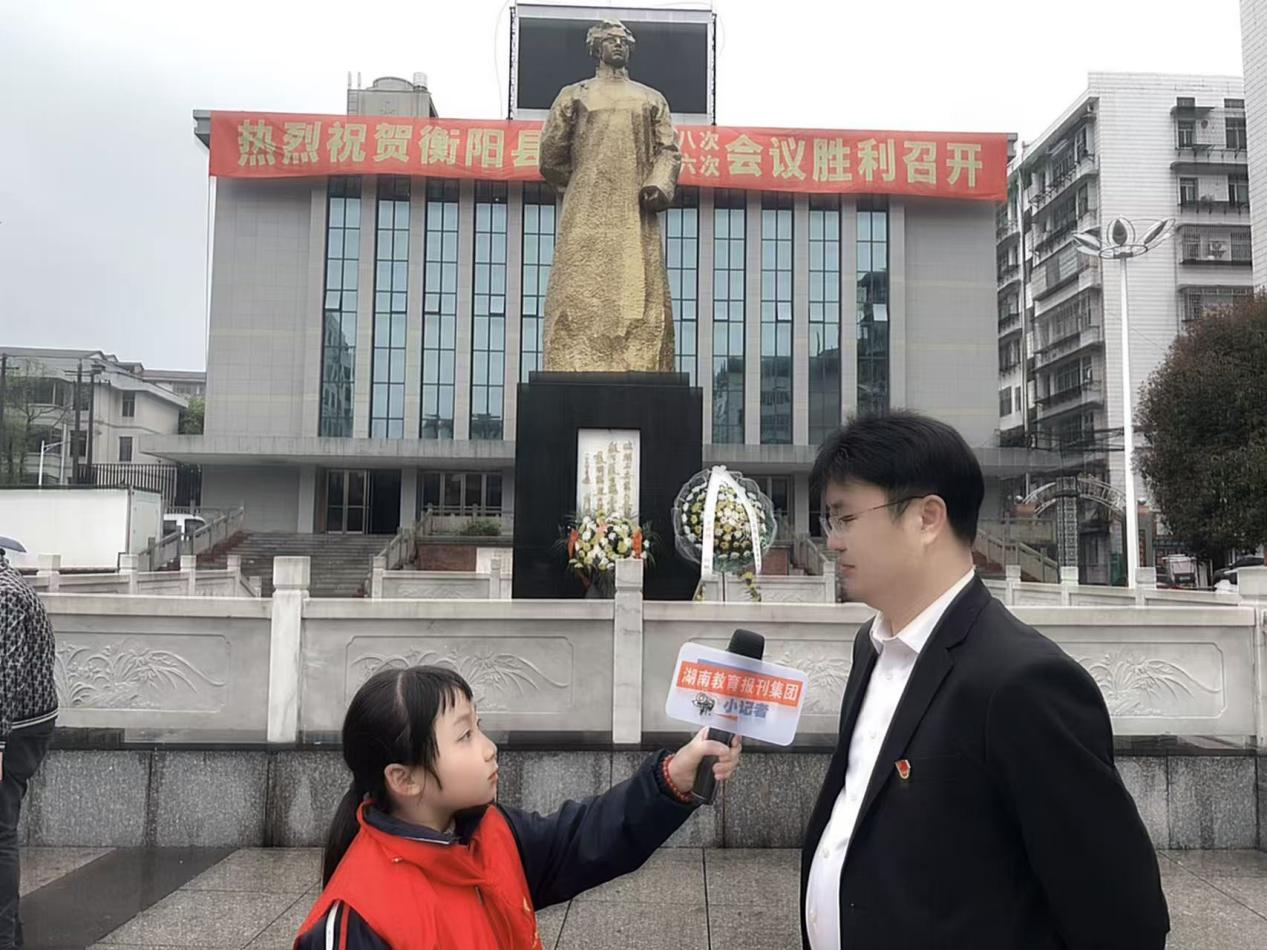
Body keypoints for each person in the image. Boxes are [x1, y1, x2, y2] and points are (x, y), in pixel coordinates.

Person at [801, 412, 1169, 949]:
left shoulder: (1023, 682)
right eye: (829, 520)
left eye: (845, 518)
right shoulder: (872, 646)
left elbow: (1122, 916)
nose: (832, 541)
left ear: (927, 518)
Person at [295, 665, 741, 949]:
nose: (489, 748)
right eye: (464, 736)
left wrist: (673, 777)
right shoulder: (356, 921)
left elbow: (586, 837)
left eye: (479, 727)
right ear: (404, 779)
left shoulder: (492, 831)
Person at [538, 18, 681, 373]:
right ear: (596, 47)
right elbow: (551, 154)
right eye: (611, 39)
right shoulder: (575, 95)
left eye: (623, 41)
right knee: (579, 281)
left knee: (640, 283)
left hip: (635, 205)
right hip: (586, 204)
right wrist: (581, 184)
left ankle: (638, 357)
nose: (618, 45)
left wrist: (657, 185)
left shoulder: (650, 98)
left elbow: (668, 150)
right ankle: (573, 355)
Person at [0, 547, 58, 950]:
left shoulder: (3, 595)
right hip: (23, 724)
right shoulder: (9, 585)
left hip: (16, 730)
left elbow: (4, 678)